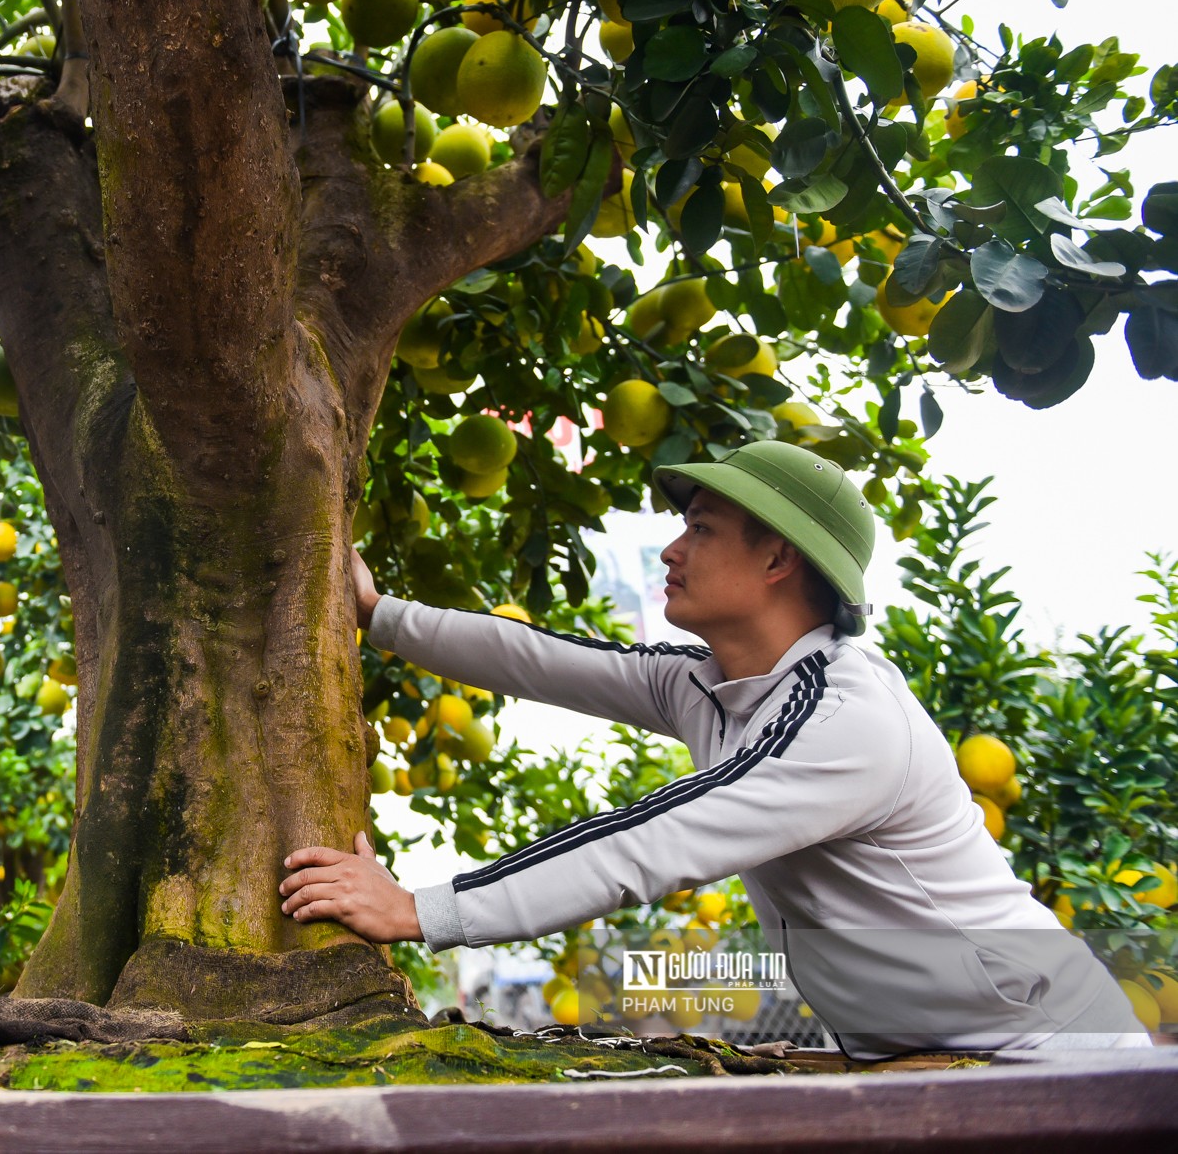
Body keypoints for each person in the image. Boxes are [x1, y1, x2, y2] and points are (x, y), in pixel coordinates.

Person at [279, 440, 1151, 1057]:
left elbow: (657, 841)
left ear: (777, 556)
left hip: (1048, 1047)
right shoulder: (710, 683)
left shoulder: (847, 721)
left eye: (701, 527)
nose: (671, 547)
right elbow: (545, 659)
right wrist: (379, 614)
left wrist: (425, 909)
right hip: (919, 1054)